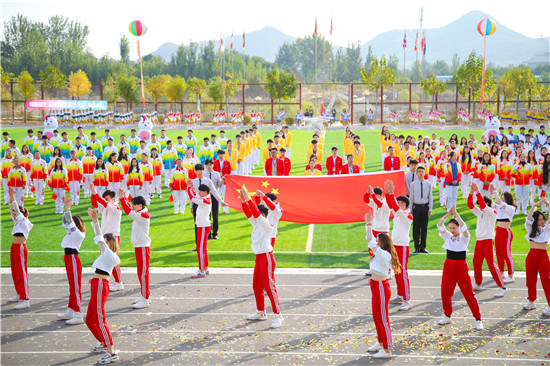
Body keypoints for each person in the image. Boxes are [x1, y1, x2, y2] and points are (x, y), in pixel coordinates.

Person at [240, 187, 284, 328]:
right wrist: (243, 201)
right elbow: (249, 213)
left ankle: (278, 316)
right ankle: (261, 312)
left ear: (263, 214)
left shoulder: (265, 224)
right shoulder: (257, 223)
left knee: (270, 288)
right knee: (256, 286)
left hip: (266, 257)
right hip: (259, 258)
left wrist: (248, 198)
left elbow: (254, 212)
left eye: (258, 214)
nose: (255, 216)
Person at [437, 206, 483, 330]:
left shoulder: (464, 237)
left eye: (454, 228)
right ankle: (447, 316)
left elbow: (465, 229)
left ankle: (478, 319)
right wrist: (447, 215)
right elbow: (440, 225)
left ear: (458, 228)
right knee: (445, 292)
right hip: (448, 266)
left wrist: (456, 215)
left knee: (468, 293)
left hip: (460, 266)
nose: (451, 230)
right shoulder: (447, 236)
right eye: (450, 228)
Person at [85, 207, 121, 365]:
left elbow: (99, 238)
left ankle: (111, 351)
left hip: (101, 285)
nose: (102, 244)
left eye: (106, 243)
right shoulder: (107, 255)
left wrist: (94, 221)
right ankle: (103, 342)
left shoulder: (109, 254)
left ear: (109, 244)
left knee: (100, 319)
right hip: (97, 283)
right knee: (89, 319)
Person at [364, 210, 401, 359]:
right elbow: (369, 238)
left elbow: (369, 240)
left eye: (378, 241)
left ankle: (387, 349)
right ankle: (381, 342)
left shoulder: (383, 253)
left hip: (380, 287)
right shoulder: (380, 251)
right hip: (375, 285)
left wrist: (369, 224)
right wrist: (368, 224)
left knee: (383, 318)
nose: (375, 242)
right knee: (376, 316)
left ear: (382, 243)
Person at [467, 183, 507, 297]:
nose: (478, 206)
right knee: (476, 262)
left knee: (491, 264)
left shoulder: (492, 212)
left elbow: (483, 206)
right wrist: (471, 192)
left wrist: (478, 191)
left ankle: (502, 286)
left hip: (488, 240)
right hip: (479, 240)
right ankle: (478, 283)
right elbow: (470, 205)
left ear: (487, 203)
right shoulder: (480, 212)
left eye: (479, 204)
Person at [118, 189, 151, 309]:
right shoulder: (141, 212)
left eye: (134, 204)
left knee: (143, 273)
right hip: (140, 246)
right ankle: (145, 296)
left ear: (140, 205)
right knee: (141, 272)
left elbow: (128, 211)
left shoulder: (143, 214)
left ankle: (145, 298)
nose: (132, 206)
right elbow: (130, 209)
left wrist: (122, 198)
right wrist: (124, 198)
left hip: (142, 246)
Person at [56, 197, 86, 325]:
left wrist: (68, 208)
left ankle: (78, 314)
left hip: (73, 259)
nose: (68, 224)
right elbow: (65, 221)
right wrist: (65, 209)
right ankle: (71, 309)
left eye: (71, 222)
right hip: (69, 259)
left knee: (75, 288)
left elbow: (69, 222)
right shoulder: (71, 232)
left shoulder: (78, 233)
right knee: (72, 287)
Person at [384, 180, 413, 311]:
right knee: (397, 272)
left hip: (403, 246)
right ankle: (400, 295)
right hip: (395, 245)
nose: (396, 203)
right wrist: (388, 193)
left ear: (404, 204)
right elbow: (391, 205)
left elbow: (395, 207)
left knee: (403, 273)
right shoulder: (398, 213)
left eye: (399, 202)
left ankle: (407, 299)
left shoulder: (407, 215)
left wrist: (391, 192)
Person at [91, 184, 124, 291]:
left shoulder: (116, 207)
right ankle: (111, 280)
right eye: (104, 198)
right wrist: (93, 193)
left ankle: (119, 282)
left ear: (113, 199)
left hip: (113, 237)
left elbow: (102, 202)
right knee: (106, 258)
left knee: (112, 259)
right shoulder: (106, 207)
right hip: (104, 236)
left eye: (107, 198)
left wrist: (95, 192)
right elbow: (94, 203)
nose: (104, 200)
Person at [7, 187, 33, 309]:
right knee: (15, 271)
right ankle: (19, 293)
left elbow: (16, 209)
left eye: (18, 212)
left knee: (22, 273)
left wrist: (13, 196)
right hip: (14, 247)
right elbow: (12, 208)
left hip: (21, 248)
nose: (14, 213)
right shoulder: (17, 221)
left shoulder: (25, 222)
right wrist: (10, 196)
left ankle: (25, 298)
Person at [523, 200, 550, 316]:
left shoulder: (547, 228)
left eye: (543, 218)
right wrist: (533, 207)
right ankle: (531, 300)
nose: (542, 221)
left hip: (543, 256)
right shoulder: (530, 229)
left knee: (547, 280)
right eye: (539, 219)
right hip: (532, 255)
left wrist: (548, 206)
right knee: (530, 279)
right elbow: (528, 220)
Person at [190, 164, 225, 247]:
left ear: (203, 170)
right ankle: (197, 245)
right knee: (197, 224)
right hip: (196, 204)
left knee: (206, 223)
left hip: (205, 204)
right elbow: (191, 196)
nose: (200, 172)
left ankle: (204, 244)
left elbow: (214, 191)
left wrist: (221, 201)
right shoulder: (193, 181)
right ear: (196, 171)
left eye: (201, 170)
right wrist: (191, 206)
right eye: (198, 170)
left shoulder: (208, 181)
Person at [186, 180, 213, 278]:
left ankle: (201, 270)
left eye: (200, 191)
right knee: (203, 248)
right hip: (204, 225)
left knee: (200, 248)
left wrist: (189, 188)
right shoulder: (205, 198)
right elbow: (195, 196)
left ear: (205, 192)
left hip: (202, 226)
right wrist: (191, 188)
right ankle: (205, 267)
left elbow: (193, 197)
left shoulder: (205, 200)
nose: (199, 192)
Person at [410, 166, 432, 253]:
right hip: (416, 207)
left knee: (424, 228)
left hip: (425, 207)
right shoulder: (413, 184)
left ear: (424, 172)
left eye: (422, 171)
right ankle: (416, 246)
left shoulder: (428, 184)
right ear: (416, 173)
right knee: (416, 228)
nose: (421, 173)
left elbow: (430, 197)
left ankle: (423, 246)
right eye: (419, 171)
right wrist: (410, 209)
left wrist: (430, 208)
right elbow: (411, 197)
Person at [204, 159, 222, 239]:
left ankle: (215, 233)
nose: (209, 166)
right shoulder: (204, 174)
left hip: (214, 195)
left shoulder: (217, 174)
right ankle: (208, 233)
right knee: (207, 215)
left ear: (213, 165)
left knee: (215, 215)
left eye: (210, 164)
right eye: (207, 165)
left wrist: (223, 180)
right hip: (207, 196)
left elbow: (219, 185)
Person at [213, 150, 232, 214]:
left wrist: (225, 177)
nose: (220, 155)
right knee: (217, 195)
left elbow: (229, 172)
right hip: (217, 182)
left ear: (224, 154)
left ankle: (225, 209)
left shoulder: (227, 162)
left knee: (225, 196)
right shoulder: (215, 162)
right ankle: (217, 209)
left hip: (224, 181)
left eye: (222, 154)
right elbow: (214, 171)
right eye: (219, 154)